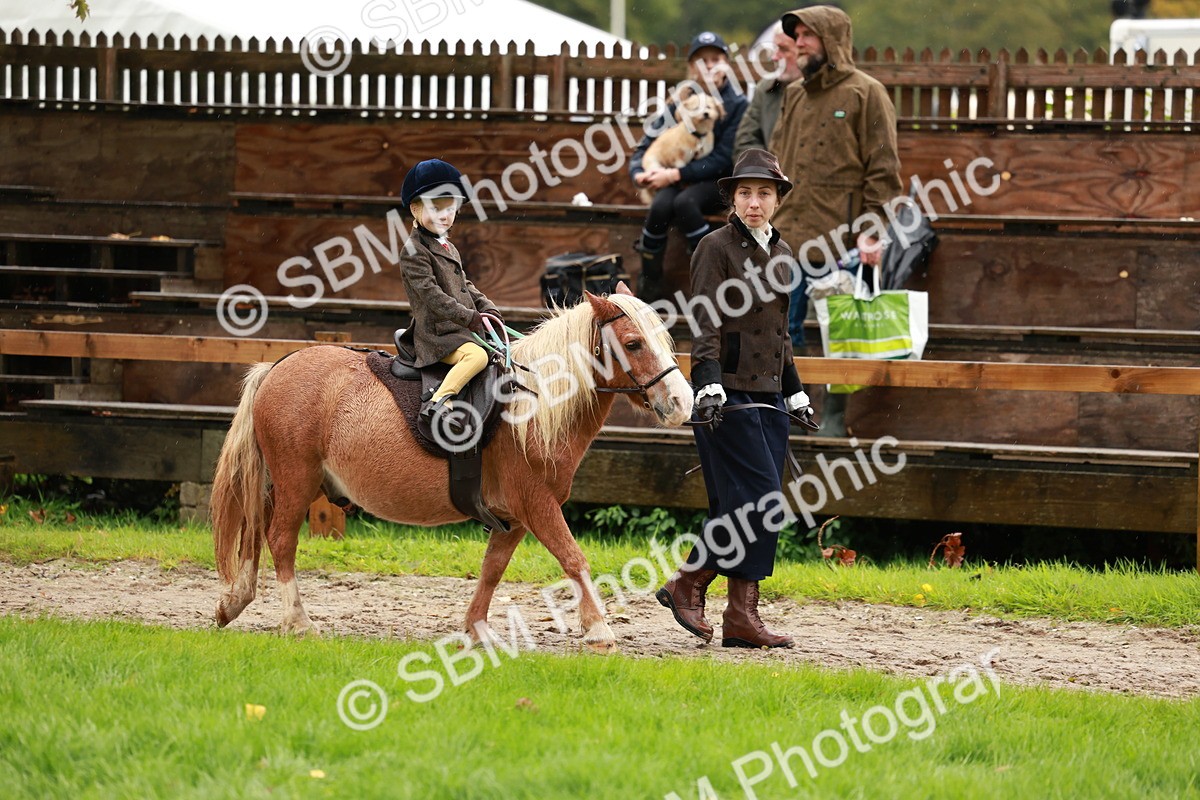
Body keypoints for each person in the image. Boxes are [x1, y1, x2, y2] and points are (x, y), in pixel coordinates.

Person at [655, 148, 813, 650]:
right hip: (724, 395)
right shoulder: (715, 248)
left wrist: (796, 391)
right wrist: (706, 380)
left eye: (764, 193)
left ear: (778, 199)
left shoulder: (784, 255)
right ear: (732, 198)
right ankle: (695, 583)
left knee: (743, 505)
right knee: (762, 501)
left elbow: (781, 335)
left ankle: (735, 614)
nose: (754, 202)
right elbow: (704, 320)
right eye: (745, 193)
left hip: (769, 395)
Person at [769, 5, 903, 435]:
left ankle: (833, 416)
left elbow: (884, 172)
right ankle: (793, 408)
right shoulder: (793, 94)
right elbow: (775, 164)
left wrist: (871, 231)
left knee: (839, 332)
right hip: (787, 234)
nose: (799, 43)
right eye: (797, 35)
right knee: (781, 328)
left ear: (833, 41)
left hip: (841, 238)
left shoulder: (868, 92)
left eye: (809, 35)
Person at [629, 31, 749, 303]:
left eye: (716, 59)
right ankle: (649, 284)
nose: (709, 66)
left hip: (716, 182)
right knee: (660, 206)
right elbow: (646, 144)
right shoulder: (677, 103)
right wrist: (640, 173)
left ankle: (716, 277)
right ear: (692, 68)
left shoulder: (738, 105)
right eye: (702, 61)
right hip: (675, 178)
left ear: (727, 64)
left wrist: (677, 173)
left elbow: (724, 158)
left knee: (684, 203)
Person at [398, 158, 500, 422]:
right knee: (477, 356)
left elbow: (464, 284)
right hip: (436, 333)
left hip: (459, 329)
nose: (445, 216)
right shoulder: (413, 251)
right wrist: (469, 317)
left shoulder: (447, 246)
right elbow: (433, 297)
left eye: (450, 209)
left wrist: (486, 307)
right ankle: (440, 401)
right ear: (415, 209)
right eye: (436, 208)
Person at [733, 24, 802, 159]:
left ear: (804, 51)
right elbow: (745, 142)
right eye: (775, 49)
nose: (774, 57)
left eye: (783, 49)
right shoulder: (765, 89)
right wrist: (768, 172)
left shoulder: (827, 92)